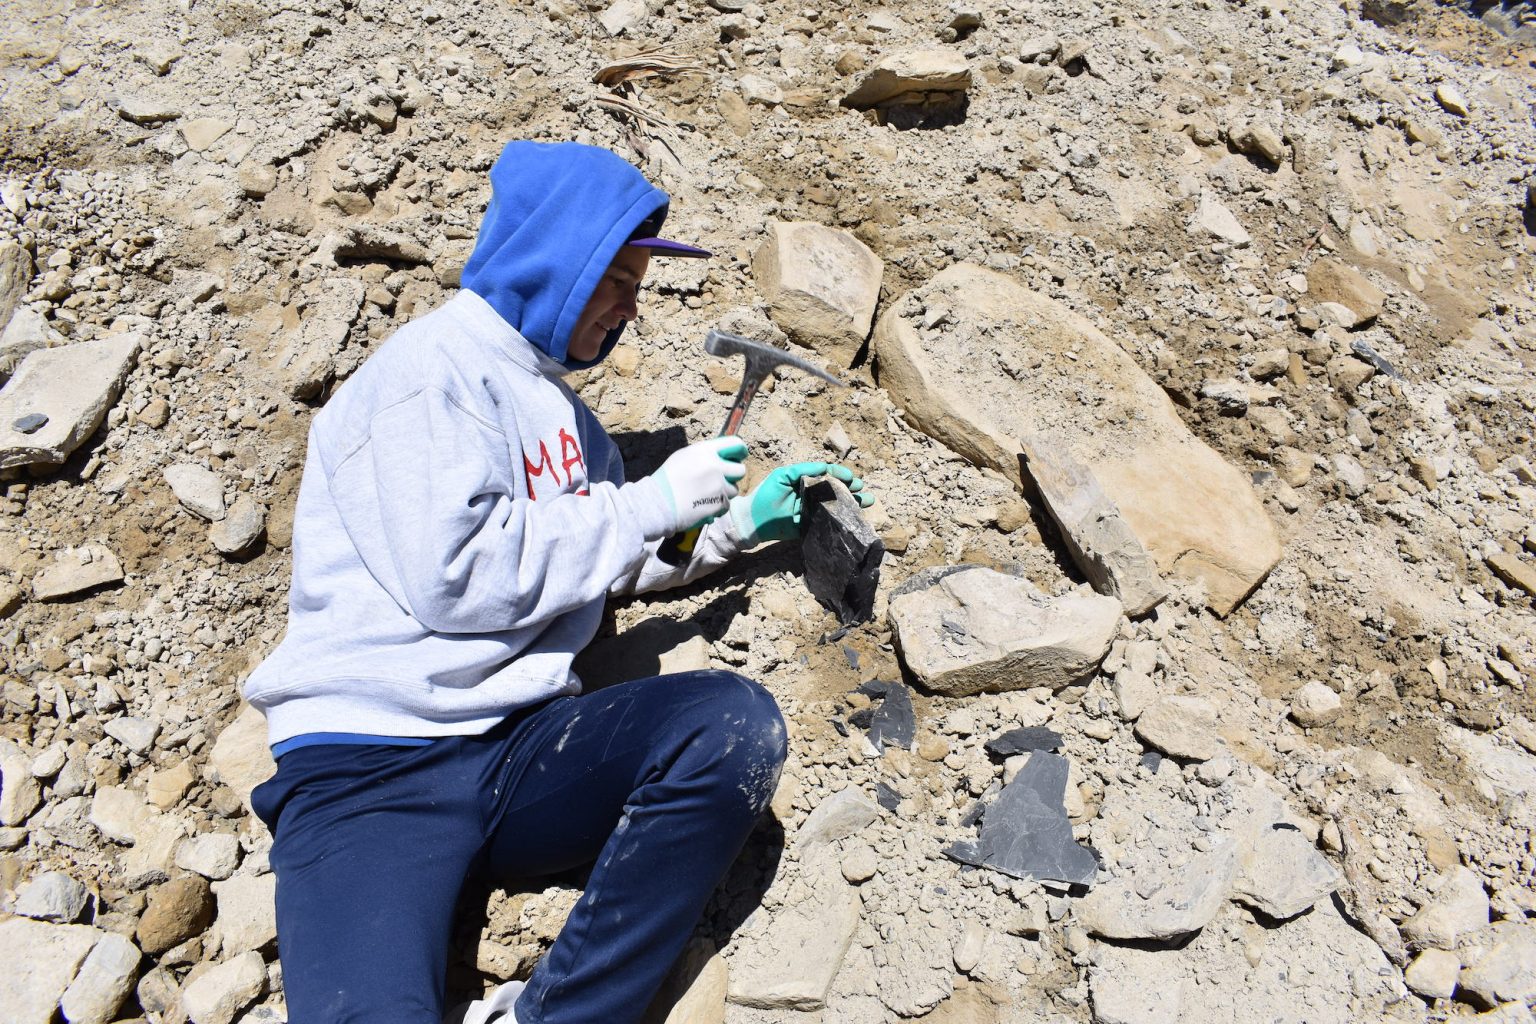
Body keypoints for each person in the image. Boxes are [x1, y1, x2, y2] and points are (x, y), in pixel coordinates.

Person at [242, 140, 873, 1024]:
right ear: (554, 263)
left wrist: (734, 529)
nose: (631, 309)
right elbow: (454, 580)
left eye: (637, 287)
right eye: (615, 280)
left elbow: (601, 558)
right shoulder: (427, 379)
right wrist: (649, 501)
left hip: (518, 754)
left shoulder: (572, 423)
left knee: (729, 727)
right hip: (370, 768)